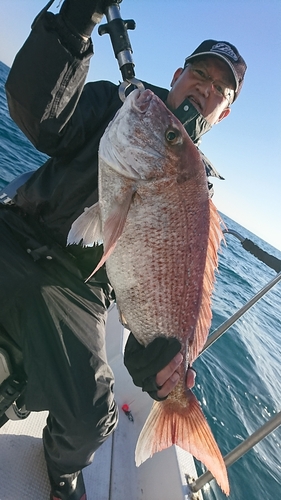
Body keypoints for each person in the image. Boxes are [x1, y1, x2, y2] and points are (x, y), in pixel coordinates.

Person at [1, 1, 247, 499]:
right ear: (177, 75)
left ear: (223, 114)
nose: (206, 89)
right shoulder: (124, 104)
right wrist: (73, 24)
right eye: (200, 74)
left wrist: (157, 363)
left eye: (221, 91)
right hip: (17, 231)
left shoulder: (198, 199)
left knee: (93, 419)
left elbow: (150, 293)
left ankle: (62, 474)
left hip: (81, 291)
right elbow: (42, 119)